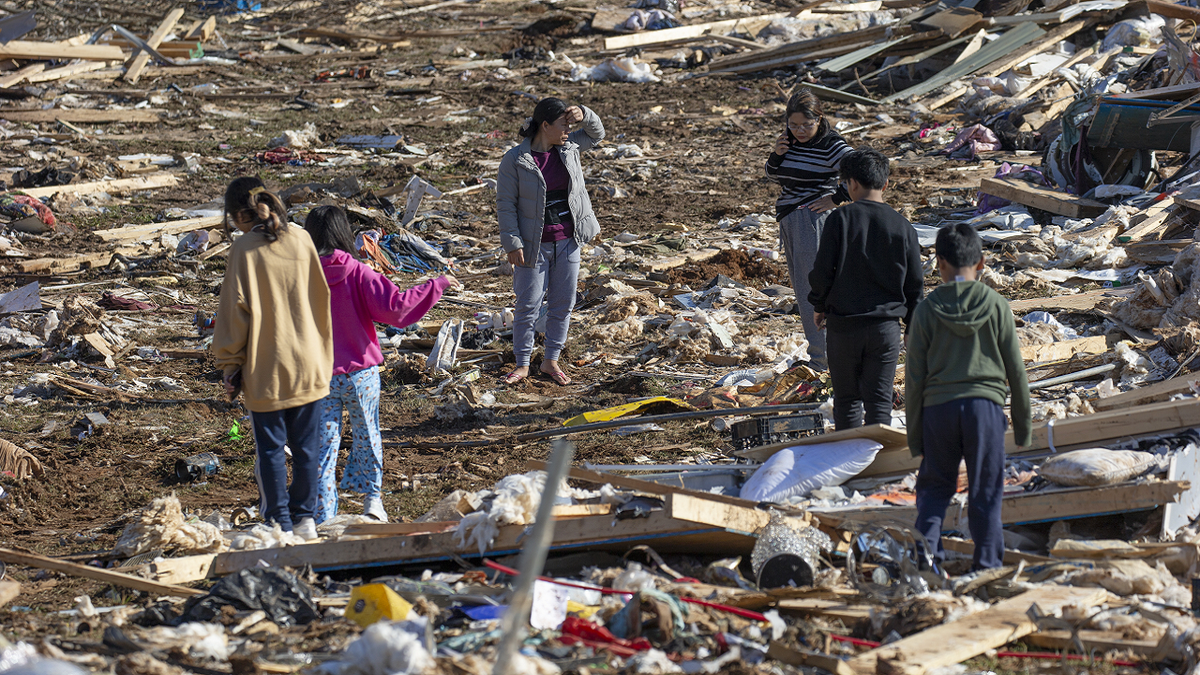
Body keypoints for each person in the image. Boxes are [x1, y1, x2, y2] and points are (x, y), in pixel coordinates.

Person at [303, 206, 460, 524]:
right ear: (343, 234)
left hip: (321, 376)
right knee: (368, 435)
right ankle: (372, 501)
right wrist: (437, 284)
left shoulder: (302, 278)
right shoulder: (359, 272)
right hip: (361, 373)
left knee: (323, 447)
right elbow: (396, 309)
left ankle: (321, 516)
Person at [212, 177, 333, 541]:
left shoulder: (244, 251)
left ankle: (279, 520)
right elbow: (320, 298)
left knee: (270, 450)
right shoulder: (301, 239)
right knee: (307, 448)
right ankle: (306, 519)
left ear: (237, 215)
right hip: (310, 361)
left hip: (267, 365)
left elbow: (235, 313)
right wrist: (323, 353)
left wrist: (230, 363)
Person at [906, 223, 1032, 571]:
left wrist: (915, 438)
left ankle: (926, 564)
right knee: (985, 493)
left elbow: (914, 379)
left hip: (938, 411)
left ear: (939, 262)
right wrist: (1023, 427)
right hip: (984, 409)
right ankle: (987, 567)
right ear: (982, 263)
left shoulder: (927, 311)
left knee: (933, 491)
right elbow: (1016, 371)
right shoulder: (996, 305)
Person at [808, 149, 923, 430]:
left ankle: (850, 463)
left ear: (851, 184)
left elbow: (823, 272)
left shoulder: (839, 220)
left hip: (844, 327)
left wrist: (819, 305)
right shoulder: (903, 226)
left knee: (846, 401)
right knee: (879, 401)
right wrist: (911, 326)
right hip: (885, 330)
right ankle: (877, 463)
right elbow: (914, 284)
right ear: (885, 185)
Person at [497, 97, 605, 386]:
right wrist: (512, 242)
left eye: (571, 125)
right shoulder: (515, 160)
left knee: (562, 303)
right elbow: (506, 204)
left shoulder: (569, 149)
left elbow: (598, 133)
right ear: (544, 126)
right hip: (534, 246)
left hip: (568, 241)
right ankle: (521, 364)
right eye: (563, 125)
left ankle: (550, 360)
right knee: (528, 305)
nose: (568, 130)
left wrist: (586, 114)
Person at [766, 88, 853, 371]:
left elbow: (862, 169)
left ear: (820, 119)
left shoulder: (830, 144)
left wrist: (836, 197)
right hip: (792, 218)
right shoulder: (789, 141)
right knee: (807, 291)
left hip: (812, 221)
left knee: (814, 292)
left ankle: (824, 360)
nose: (800, 130)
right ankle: (826, 356)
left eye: (806, 124)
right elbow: (772, 173)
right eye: (794, 125)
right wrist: (776, 156)